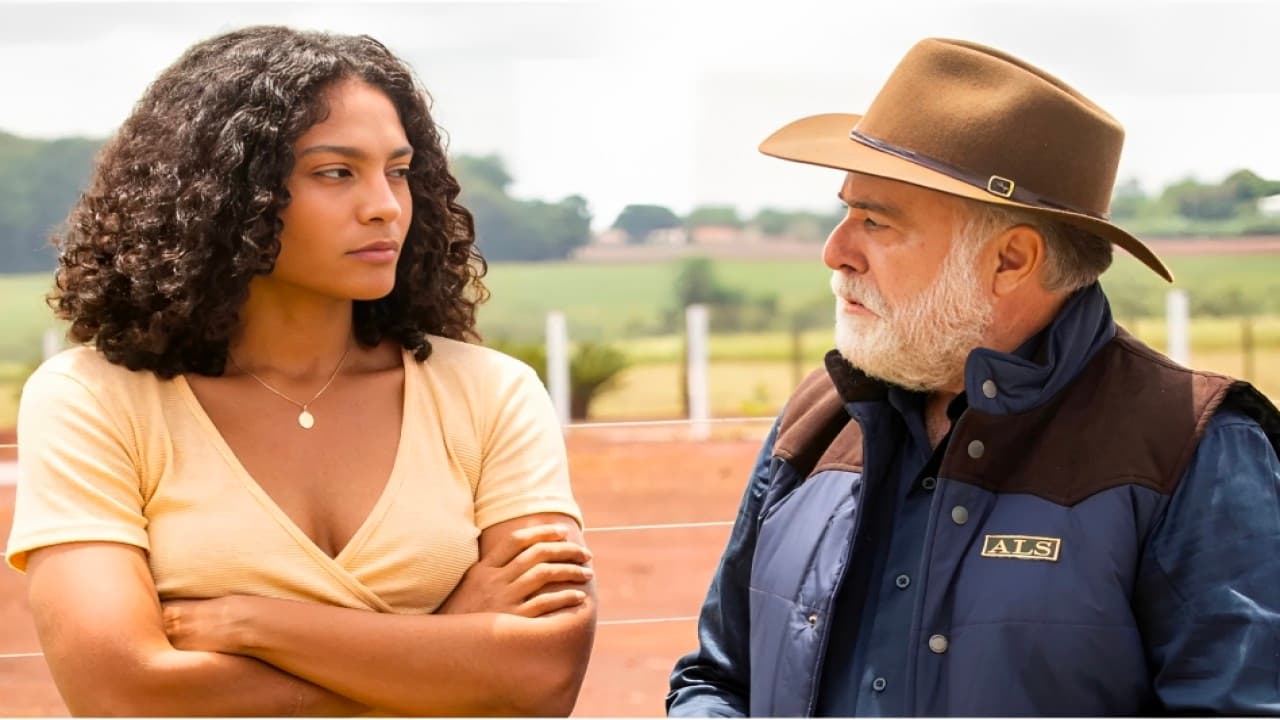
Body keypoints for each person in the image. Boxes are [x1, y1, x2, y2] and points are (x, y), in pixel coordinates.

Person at [667, 38, 1280, 716]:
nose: (836, 251)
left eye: (876, 221)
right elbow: (716, 680)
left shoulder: (1190, 449)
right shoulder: (819, 418)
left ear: (1011, 259)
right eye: (844, 212)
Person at [5, 26, 596, 716]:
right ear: (226, 195)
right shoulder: (93, 399)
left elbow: (541, 678)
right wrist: (441, 650)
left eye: (398, 171)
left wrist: (252, 624)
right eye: (335, 172)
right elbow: (120, 692)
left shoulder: (491, 393)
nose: (384, 205)